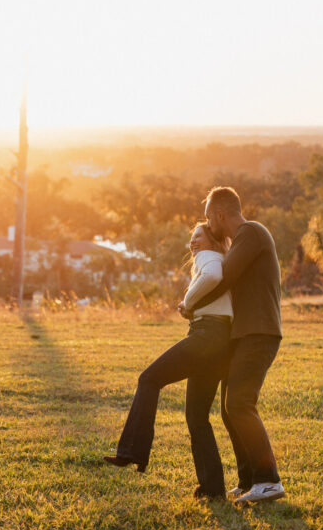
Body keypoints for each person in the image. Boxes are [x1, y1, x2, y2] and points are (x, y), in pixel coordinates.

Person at [103, 222, 232, 498]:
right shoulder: (222, 258)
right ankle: (213, 489)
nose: (193, 242)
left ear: (212, 240)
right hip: (220, 341)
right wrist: (193, 308)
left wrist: (188, 302)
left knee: (149, 379)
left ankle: (130, 452)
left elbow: (211, 277)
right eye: (191, 238)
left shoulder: (208, 257)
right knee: (197, 417)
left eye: (198, 236)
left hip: (206, 336)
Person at [185, 186, 285, 505]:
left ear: (219, 215)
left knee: (240, 403)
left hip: (259, 332)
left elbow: (224, 278)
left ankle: (269, 480)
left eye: (208, 218)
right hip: (242, 335)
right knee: (229, 410)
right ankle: (248, 482)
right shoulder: (242, 240)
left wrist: (190, 304)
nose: (207, 224)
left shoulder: (251, 232)